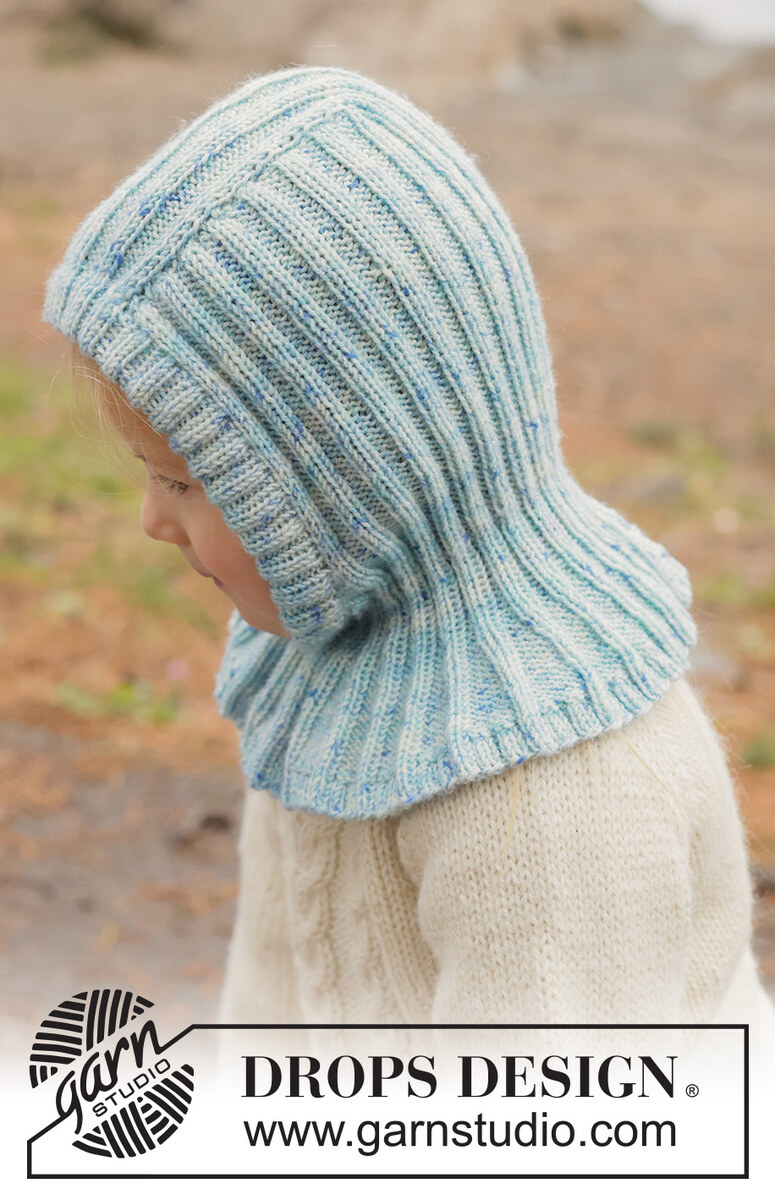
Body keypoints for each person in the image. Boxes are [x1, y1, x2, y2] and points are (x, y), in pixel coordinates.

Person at [44, 66, 775, 1052]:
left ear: (348, 483)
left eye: (183, 482)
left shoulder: (547, 802)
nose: (150, 522)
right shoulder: (321, 658)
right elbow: (272, 996)